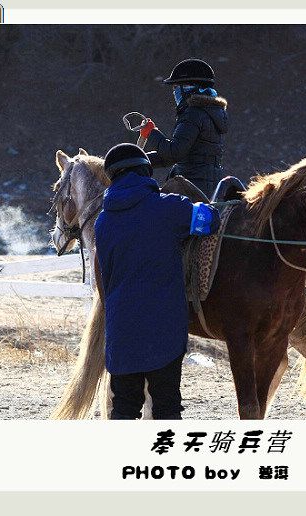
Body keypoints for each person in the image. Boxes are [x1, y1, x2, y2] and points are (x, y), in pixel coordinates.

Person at [94, 143, 218, 420]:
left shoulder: (103, 222)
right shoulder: (168, 208)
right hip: (164, 331)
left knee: (124, 407)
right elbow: (209, 220)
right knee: (166, 407)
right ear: (145, 171)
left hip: (121, 332)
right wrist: (203, 207)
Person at [140, 58, 229, 199]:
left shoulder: (193, 114)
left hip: (190, 187)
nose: (174, 92)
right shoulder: (211, 112)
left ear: (188, 88)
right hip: (209, 185)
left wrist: (151, 133)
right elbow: (181, 156)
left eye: (176, 87)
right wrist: (139, 160)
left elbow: (174, 153)